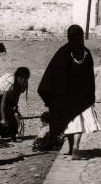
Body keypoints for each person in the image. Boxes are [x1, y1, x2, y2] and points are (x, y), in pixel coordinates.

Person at [37, 24, 97, 157]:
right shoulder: (86, 53)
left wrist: (51, 96)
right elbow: (90, 76)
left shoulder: (63, 52)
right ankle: (75, 146)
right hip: (82, 96)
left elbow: (51, 74)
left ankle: (71, 148)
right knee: (78, 122)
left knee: (69, 123)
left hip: (65, 97)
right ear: (81, 36)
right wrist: (91, 93)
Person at [0, 67, 30, 140]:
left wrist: (15, 106)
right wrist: (3, 118)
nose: (23, 80)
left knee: (12, 111)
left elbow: (16, 96)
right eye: (21, 78)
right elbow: (3, 103)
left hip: (8, 92)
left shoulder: (24, 84)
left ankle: (13, 133)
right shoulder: (9, 84)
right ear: (17, 77)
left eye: (25, 79)